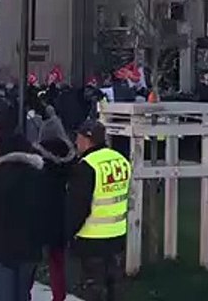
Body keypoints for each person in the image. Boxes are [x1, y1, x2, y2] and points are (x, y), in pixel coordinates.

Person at [0, 133, 45, 301]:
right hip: (29, 248)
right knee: (23, 294)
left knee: (4, 295)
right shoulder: (38, 176)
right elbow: (46, 212)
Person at [66, 120, 131, 301]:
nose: (76, 143)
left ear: (87, 139)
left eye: (78, 138)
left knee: (93, 290)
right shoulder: (121, 160)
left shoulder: (86, 166)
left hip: (92, 239)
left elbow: (79, 208)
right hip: (117, 235)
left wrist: (68, 233)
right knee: (114, 288)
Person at [35, 118, 77, 301]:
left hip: (40, 210)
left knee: (32, 260)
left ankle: (24, 293)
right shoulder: (71, 156)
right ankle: (58, 295)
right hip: (61, 211)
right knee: (57, 260)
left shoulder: (37, 155)